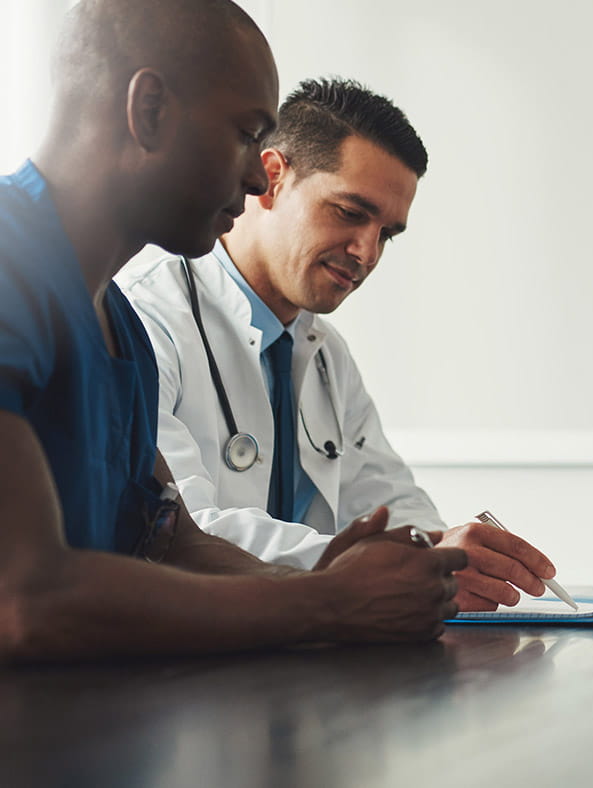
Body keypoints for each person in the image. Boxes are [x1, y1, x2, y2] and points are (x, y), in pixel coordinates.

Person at [0, 0, 465, 662]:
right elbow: (22, 598)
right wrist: (329, 601)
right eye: (249, 134)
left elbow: (169, 541)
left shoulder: (117, 324)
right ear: (150, 110)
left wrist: (346, 576)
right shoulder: (9, 264)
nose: (255, 177)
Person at [117, 77, 557, 612]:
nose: (366, 251)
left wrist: (444, 557)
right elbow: (181, 532)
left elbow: (389, 502)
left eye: (387, 233)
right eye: (350, 213)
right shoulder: (144, 318)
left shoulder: (325, 355)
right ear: (272, 178)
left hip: (309, 650)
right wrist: (383, 570)